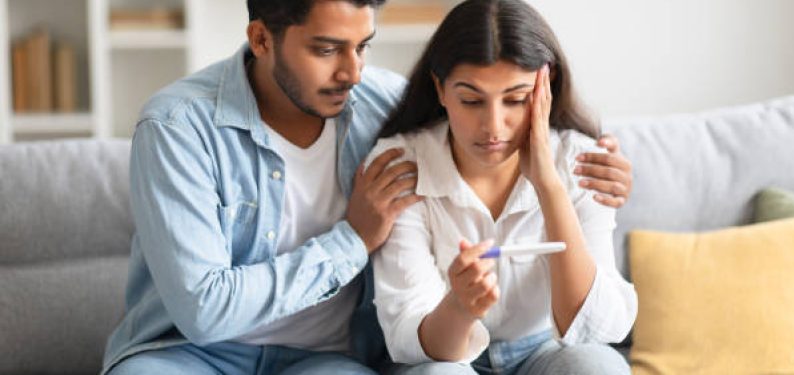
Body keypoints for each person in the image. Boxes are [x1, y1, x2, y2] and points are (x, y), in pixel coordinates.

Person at [102, 0, 634, 374]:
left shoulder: (380, 107)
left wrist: (600, 170)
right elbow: (203, 311)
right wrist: (351, 240)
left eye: (363, 47)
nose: (352, 72)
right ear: (262, 38)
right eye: (328, 49)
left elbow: (480, 120)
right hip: (188, 355)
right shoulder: (177, 128)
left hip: (328, 361)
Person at [369, 1, 637, 374]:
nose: (493, 126)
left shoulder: (583, 162)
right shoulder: (402, 164)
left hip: (545, 350)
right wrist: (460, 307)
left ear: (546, 88)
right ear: (440, 89)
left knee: (596, 367)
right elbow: (408, 339)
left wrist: (548, 184)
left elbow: (595, 328)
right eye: (471, 100)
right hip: (448, 356)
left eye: (515, 99)